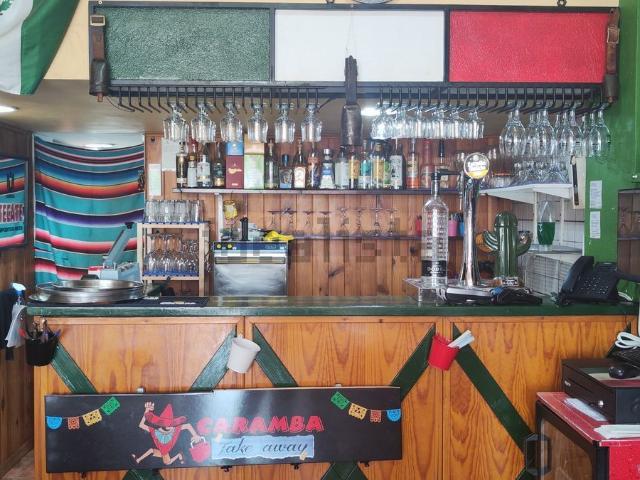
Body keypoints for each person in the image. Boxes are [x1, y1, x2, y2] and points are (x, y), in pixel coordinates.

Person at [132, 402, 203, 466]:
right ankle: (138, 460)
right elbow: (141, 425)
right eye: (164, 425)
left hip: (165, 451)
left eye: (170, 425)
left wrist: (195, 435)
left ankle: (178, 455)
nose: (168, 427)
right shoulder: (155, 431)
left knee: (166, 462)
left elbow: (188, 425)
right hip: (162, 450)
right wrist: (146, 410)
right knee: (152, 451)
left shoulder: (175, 430)